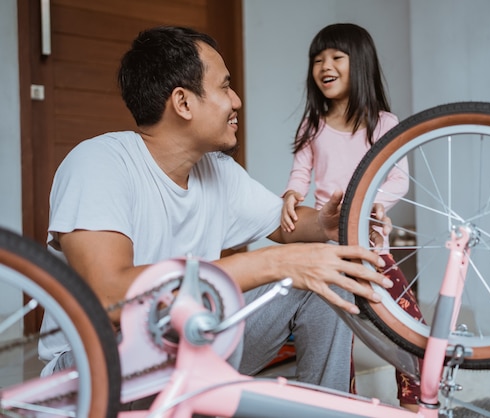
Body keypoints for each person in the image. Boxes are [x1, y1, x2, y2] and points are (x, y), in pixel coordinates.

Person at [37, 25, 395, 396]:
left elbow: (285, 224)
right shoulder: (99, 163)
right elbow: (112, 298)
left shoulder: (216, 170)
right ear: (184, 102)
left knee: (327, 271)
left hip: (189, 341)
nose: (237, 100)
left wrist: (325, 224)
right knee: (292, 267)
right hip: (99, 365)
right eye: (225, 87)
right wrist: (276, 263)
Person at [281, 23, 424, 409]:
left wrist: (372, 203)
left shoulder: (385, 124)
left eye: (335, 57)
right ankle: (343, 404)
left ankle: (416, 406)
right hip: (329, 249)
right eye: (317, 59)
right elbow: (300, 174)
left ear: (358, 63)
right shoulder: (313, 125)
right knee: (335, 335)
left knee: (410, 329)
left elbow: (399, 180)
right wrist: (292, 195)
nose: (324, 65)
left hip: (373, 249)